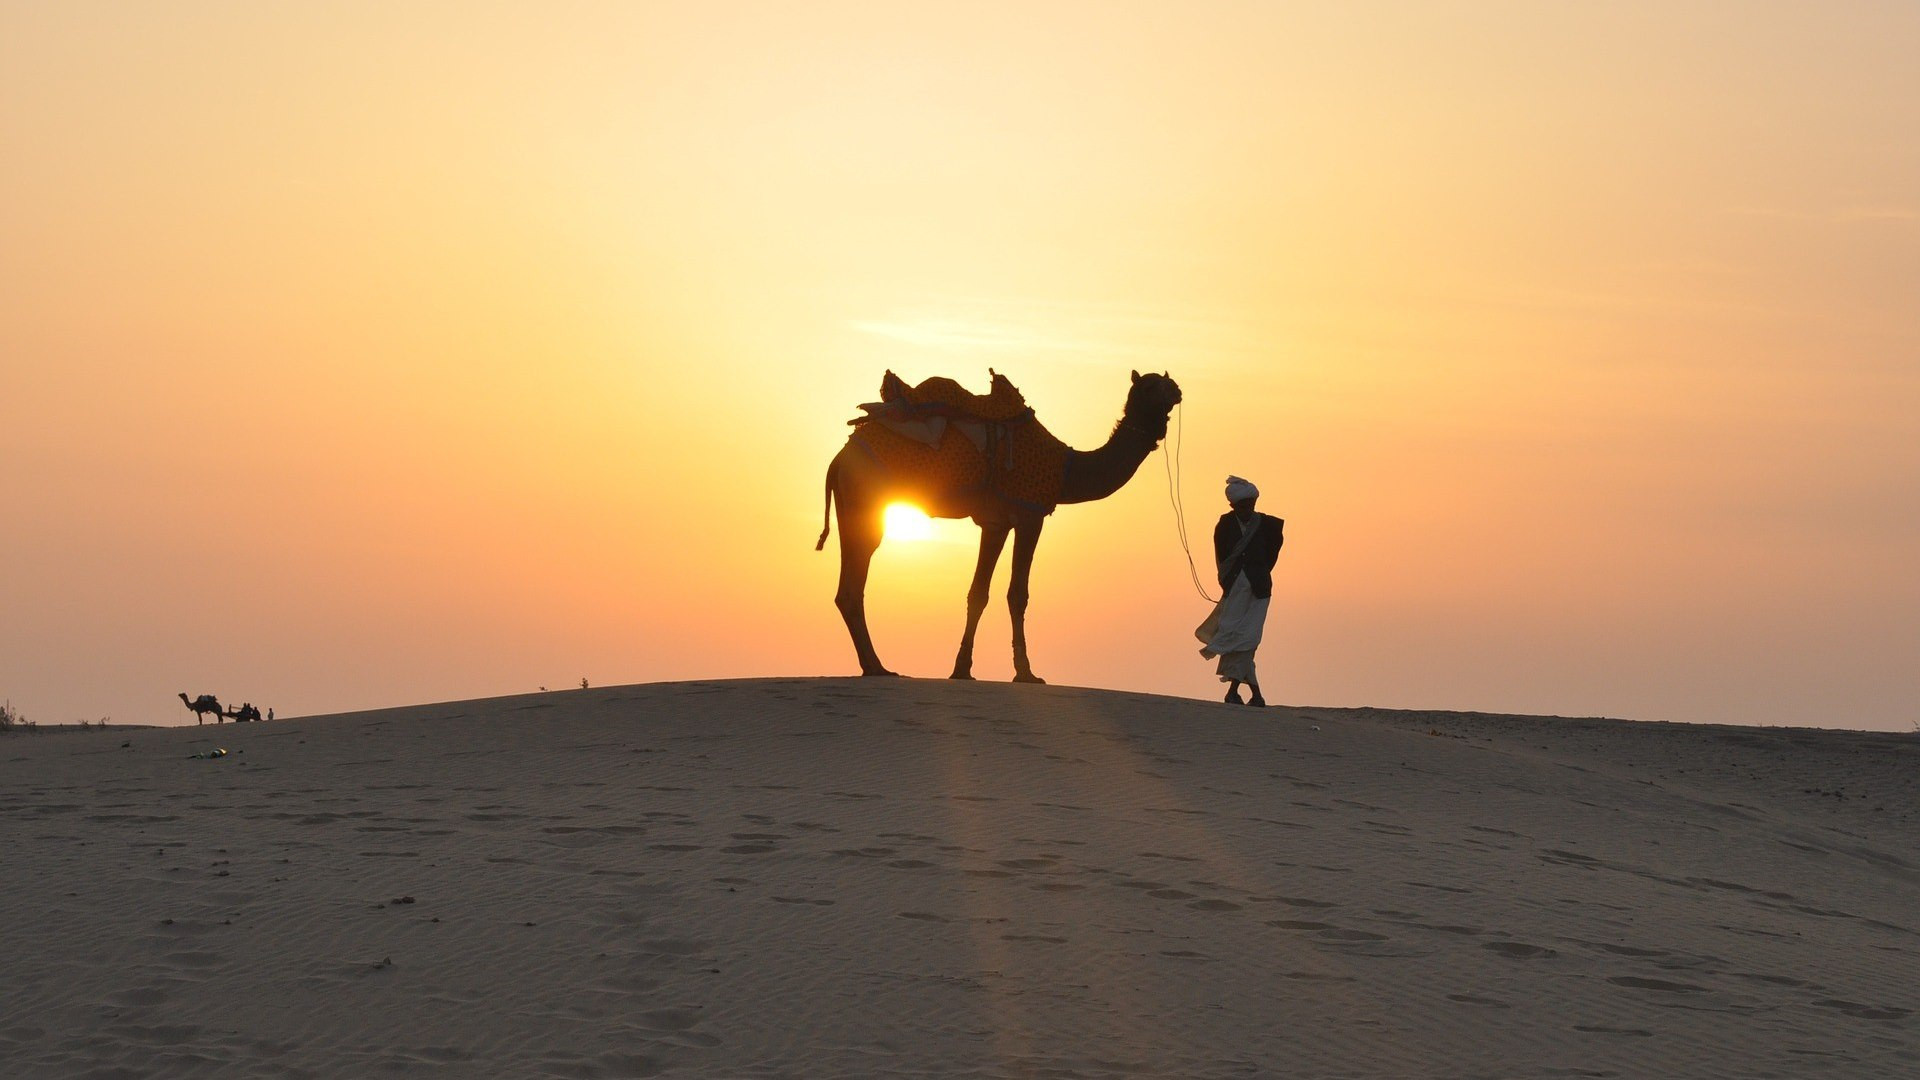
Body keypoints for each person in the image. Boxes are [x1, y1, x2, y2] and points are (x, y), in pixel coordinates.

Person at [1198, 475, 1284, 705]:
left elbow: (1272, 554)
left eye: (1250, 504)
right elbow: (1222, 556)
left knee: (1248, 638)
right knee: (1237, 637)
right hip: (1236, 588)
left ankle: (1243, 693)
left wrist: (1257, 572)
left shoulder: (1268, 526)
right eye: (1243, 505)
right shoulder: (1225, 525)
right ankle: (1250, 694)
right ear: (1233, 505)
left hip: (1259, 590)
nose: (1248, 509)